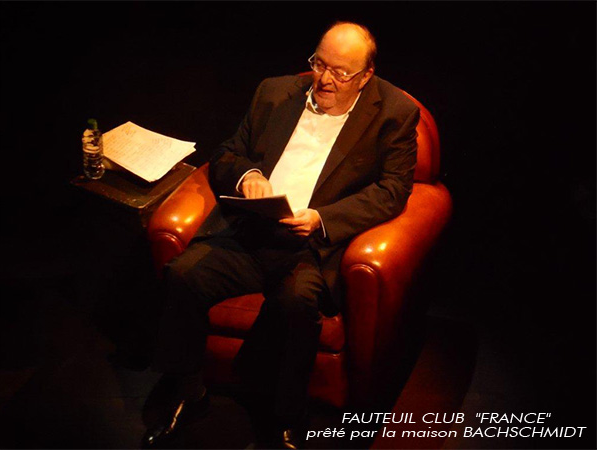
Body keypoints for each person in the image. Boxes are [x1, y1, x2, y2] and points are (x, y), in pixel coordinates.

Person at [141, 21, 420, 449]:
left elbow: (393, 190)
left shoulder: (394, 113)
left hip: (311, 245)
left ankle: (287, 415)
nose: (324, 80)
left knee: (296, 302)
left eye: (340, 72)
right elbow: (228, 153)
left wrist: (322, 218)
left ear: (365, 76)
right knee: (183, 274)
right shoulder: (274, 92)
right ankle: (189, 392)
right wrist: (249, 175)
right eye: (319, 64)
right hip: (250, 232)